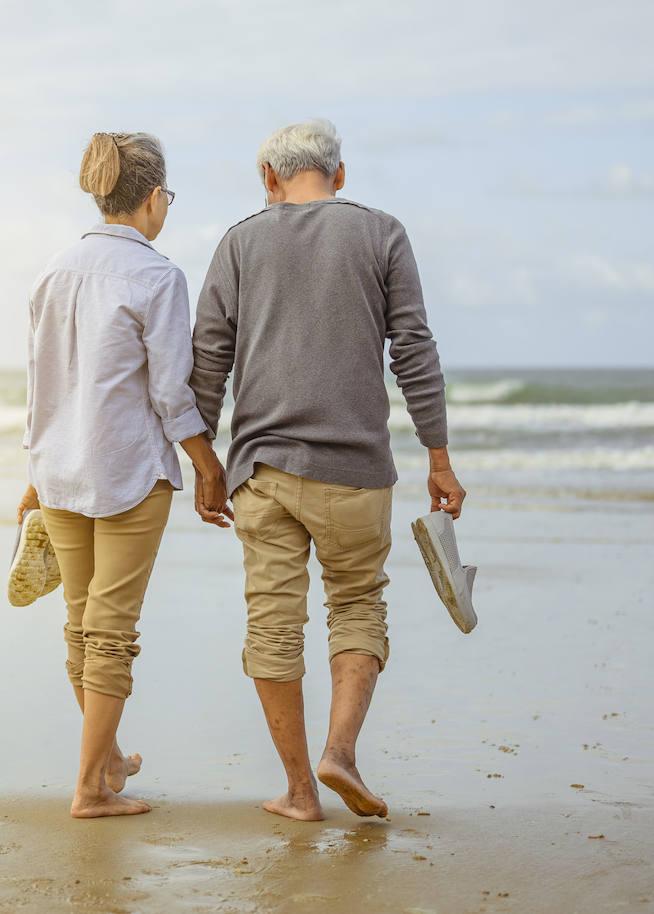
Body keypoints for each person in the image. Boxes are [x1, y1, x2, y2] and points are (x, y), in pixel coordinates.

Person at [189, 119, 466, 821]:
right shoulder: (382, 233)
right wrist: (438, 456)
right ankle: (339, 752)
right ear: (340, 176)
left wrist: (205, 464)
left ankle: (300, 792)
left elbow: (208, 362)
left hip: (263, 471)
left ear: (269, 180)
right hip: (356, 473)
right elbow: (413, 351)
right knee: (357, 607)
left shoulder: (241, 241)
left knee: (274, 628)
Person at [18, 131, 231, 818]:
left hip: (59, 472)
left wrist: (32, 471)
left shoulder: (53, 270)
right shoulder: (157, 276)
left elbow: (40, 384)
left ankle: (104, 762)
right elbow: (172, 392)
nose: (165, 206)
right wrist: (205, 465)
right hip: (129, 472)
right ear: (150, 198)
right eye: (166, 195)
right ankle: (88, 790)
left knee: (81, 626)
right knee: (110, 631)